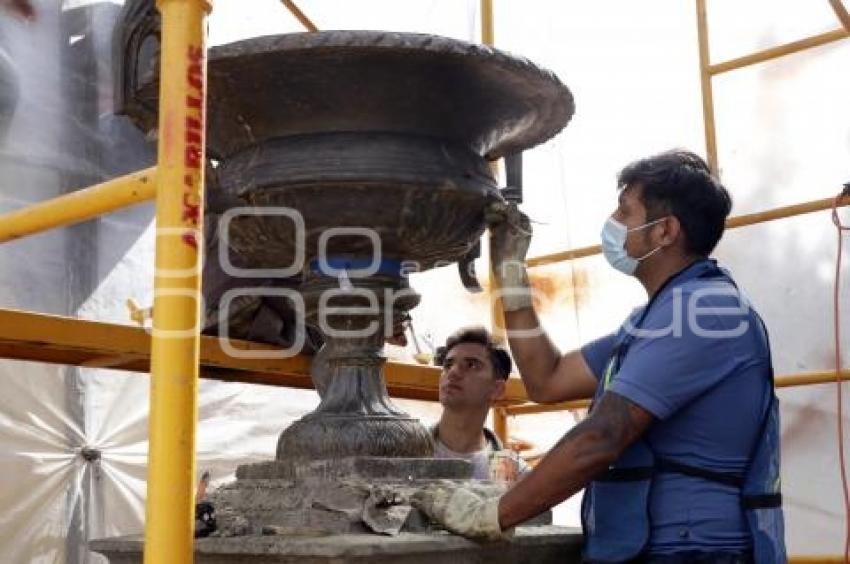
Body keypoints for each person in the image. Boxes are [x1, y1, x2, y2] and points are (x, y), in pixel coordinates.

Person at [412, 150, 785, 563]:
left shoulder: (705, 312)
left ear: (665, 231)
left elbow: (602, 437)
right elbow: (547, 378)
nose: (613, 222)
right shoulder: (653, 320)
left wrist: (491, 513)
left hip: (692, 550)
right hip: (652, 547)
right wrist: (512, 274)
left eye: (625, 211)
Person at [431, 326, 529, 481]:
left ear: (497, 389)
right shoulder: (404, 450)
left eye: (471, 365)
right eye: (448, 365)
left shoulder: (514, 474)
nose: (453, 372)